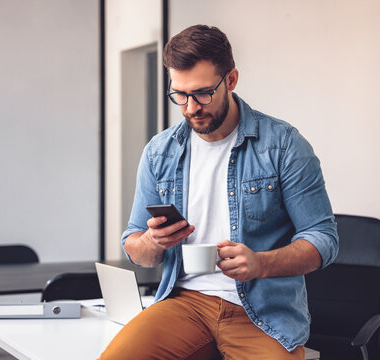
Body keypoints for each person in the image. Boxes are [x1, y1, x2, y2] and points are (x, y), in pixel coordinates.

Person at [99, 24, 338, 360]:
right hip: (184, 303)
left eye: (202, 93)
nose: (190, 107)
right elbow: (134, 247)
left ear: (231, 80)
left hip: (262, 313)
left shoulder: (283, 145)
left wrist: (260, 264)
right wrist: (155, 242)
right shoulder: (159, 152)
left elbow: (323, 239)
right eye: (179, 95)